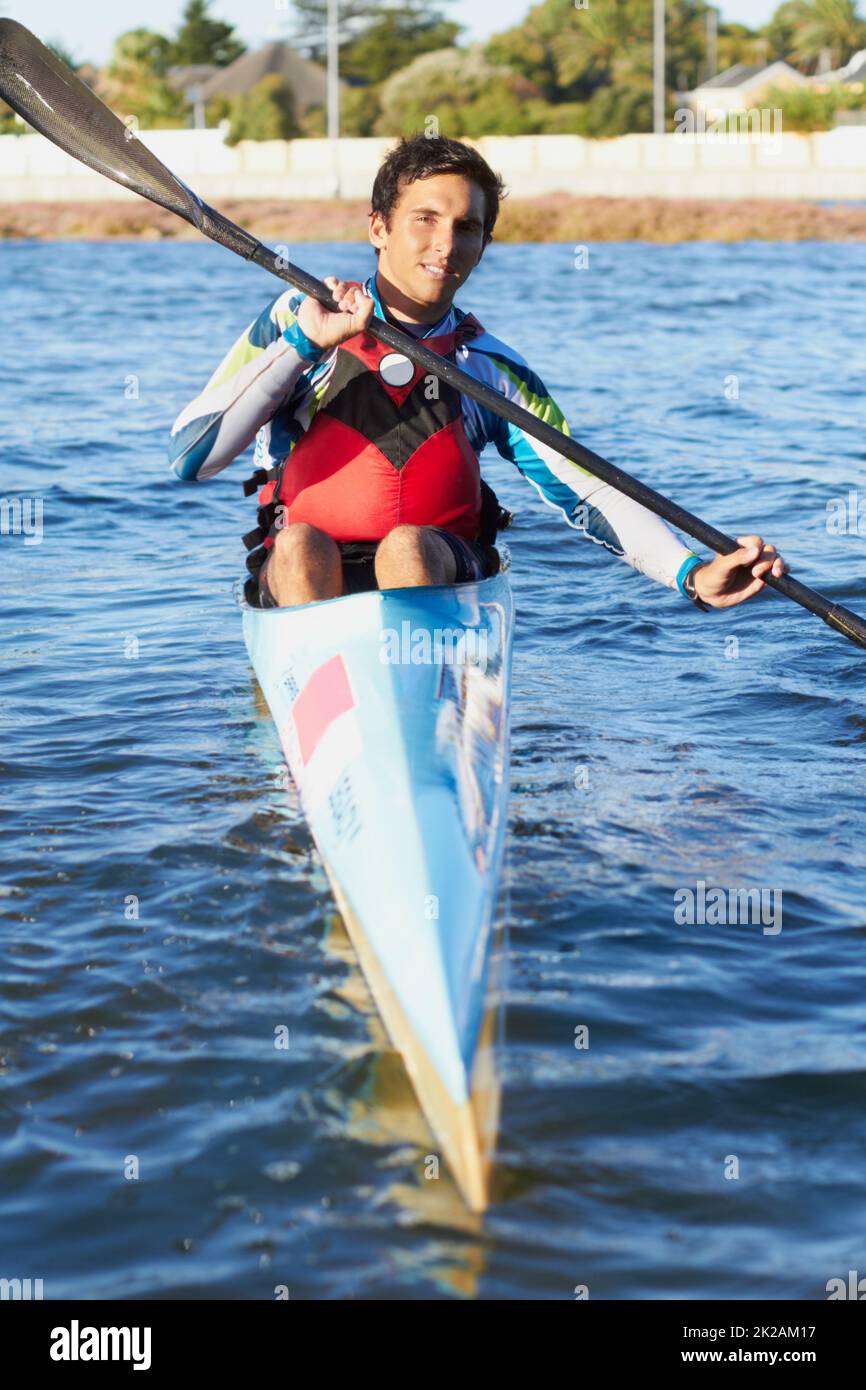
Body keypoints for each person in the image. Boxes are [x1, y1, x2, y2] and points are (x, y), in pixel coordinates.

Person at [169, 134, 787, 609]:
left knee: (407, 547)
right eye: (426, 219)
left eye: (468, 227)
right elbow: (192, 456)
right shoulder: (297, 319)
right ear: (379, 228)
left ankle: (412, 707)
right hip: (304, 578)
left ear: (484, 244)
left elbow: (588, 488)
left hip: (440, 573)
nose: (446, 244)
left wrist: (692, 574)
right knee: (303, 544)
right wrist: (305, 343)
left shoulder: (489, 368)